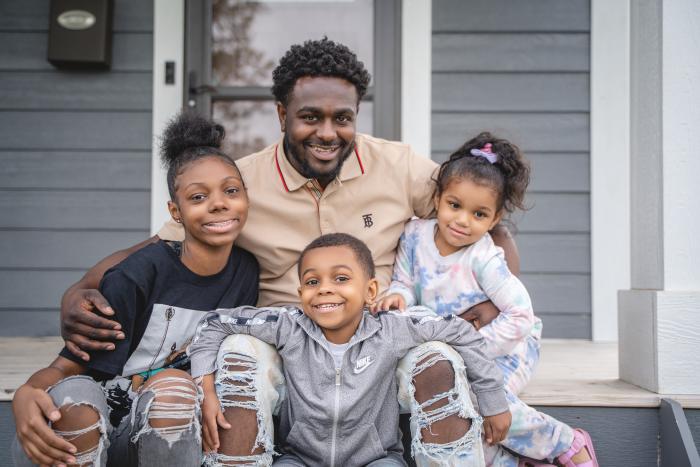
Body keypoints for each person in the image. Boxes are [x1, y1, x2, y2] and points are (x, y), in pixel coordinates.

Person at [58, 38, 519, 463]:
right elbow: (161, 246)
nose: (328, 132)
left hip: (380, 341)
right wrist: (81, 288)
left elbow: (482, 220)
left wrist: (490, 303)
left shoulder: (399, 166)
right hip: (283, 342)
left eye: (342, 118)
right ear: (282, 115)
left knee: (437, 357)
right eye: (310, 117)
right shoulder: (240, 182)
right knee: (239, 351)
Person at [12, 112, 259, 466]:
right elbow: (68, 366)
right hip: (91, 426)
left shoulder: (246, 272)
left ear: (247, 199)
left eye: (231, 191)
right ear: (176, 211)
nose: (219, 203)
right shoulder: (138, 275)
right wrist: (28, 391)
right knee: (77, 398)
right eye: (198, 197)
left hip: (163, 427)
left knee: (175, 387)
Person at [190, 233, 512, 466]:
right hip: (299, 457)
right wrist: (206, 387)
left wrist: (494, 402)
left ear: (370, 290)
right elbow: (215, 323)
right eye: (312, 282)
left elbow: (459, 331)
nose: (325, 288)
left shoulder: (391, 329)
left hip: (377, 457)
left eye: (341, 278)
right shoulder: (289, 326)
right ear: (300, 292)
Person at [374, 133, 598, 467]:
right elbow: (406, 282)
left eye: (479, 214)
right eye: (455, 205)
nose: (463, 221)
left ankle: (565, 444)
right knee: (459, 402)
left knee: (483, 398)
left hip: (508, 345)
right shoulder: (415, 234)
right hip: (456, 349)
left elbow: (520, 316)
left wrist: (474, 349)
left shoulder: (485, 258)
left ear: (494, 219)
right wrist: (396, 296)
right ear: (438, 198)